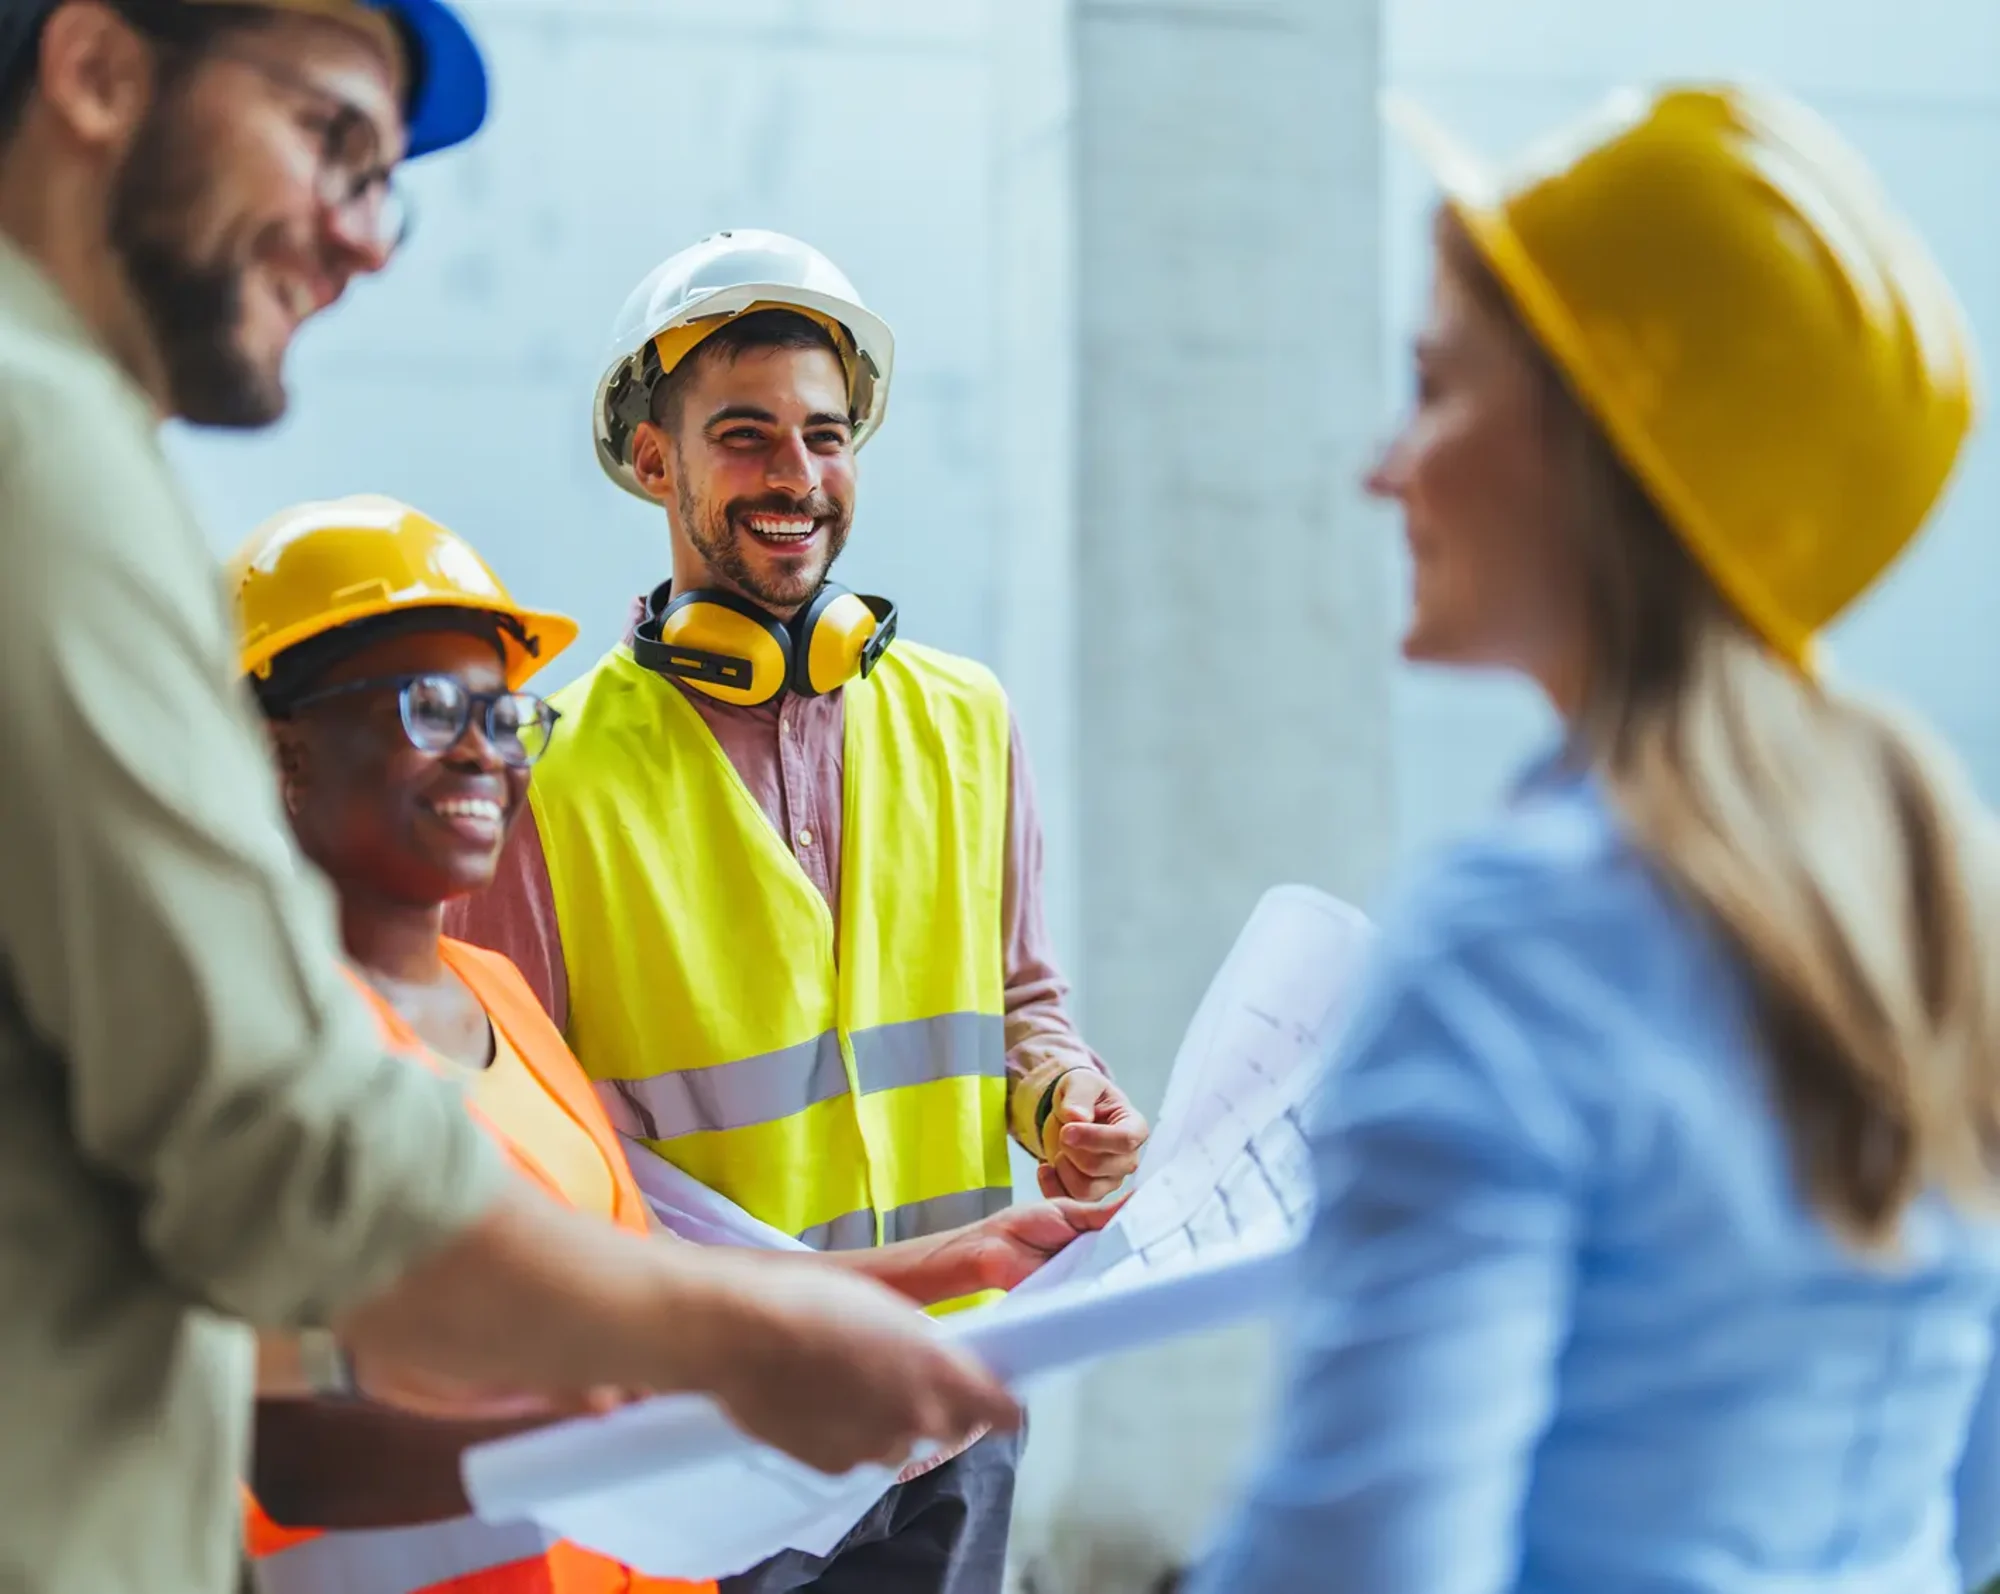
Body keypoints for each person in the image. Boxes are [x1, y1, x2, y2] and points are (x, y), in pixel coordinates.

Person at [0, 7, 1014, 1593]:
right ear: (97, 69)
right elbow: (278, 1152)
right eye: (331, 138)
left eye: (380, 179)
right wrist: (728, 1342)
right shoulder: (38, 444)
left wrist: (853, 1296)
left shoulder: (951, 724)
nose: (366, 240)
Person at [1188, 83, 2000, 1593]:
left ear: (1595, 438)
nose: (1388, 466)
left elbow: (1364, 1567)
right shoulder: (1940, 885)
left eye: (1434, 386)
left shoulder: (1512, 940)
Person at [228, 492, 1126, 1594]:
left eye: (504, 716)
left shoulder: (493, 997)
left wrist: (963, 1260)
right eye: (424, 707)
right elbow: (285, 1446)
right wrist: (681, 1399)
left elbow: (634, 1279)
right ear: (279, 754)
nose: (482, 752)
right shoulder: (254, 1053)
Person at [446, 228, 1149, 1594]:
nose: (798, 476)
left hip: (957, 1387)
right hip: (723, 1428)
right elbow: (522, 1145)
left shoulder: (967, 720)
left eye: (825, 435)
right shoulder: (548, 777)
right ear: (655, 461)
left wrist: (1065, 1104)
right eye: (747, 436)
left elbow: (1022, 1007)